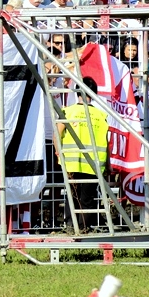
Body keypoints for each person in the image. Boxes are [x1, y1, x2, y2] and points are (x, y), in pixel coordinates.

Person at [54, 76, 110, 233]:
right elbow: (106, 142)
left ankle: (71, 226)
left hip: (71, 162)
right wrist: (109, 164)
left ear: (77, 92)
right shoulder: (101, 115)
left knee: (72, 196)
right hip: (94, 163)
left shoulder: (68, 111)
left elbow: (57, 134)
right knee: (87, 198)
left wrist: (58, 153)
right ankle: (84, 228)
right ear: (94, 94)